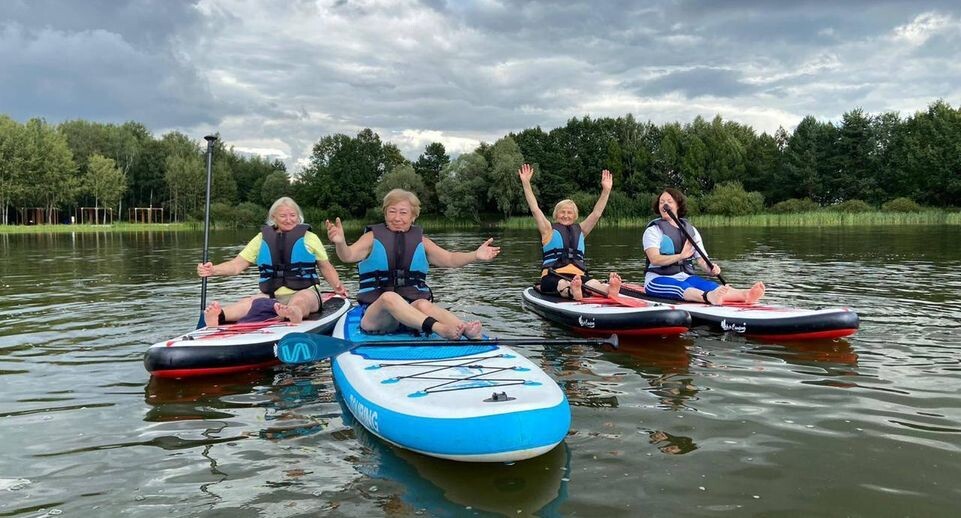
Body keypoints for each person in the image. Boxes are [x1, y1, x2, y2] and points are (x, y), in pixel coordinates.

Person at [325, 189, 500, 340]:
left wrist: (475, 255)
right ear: (385, 214)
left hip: (411, 316)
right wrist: (340, 243)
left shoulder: (422, 242)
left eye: (403, 212)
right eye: (392, 212)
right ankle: (440, 328)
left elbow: (450, 259)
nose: (397, 217)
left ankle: (465, 329)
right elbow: (347, 256)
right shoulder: (371, 238)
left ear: (413, 216)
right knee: (389, 297)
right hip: (378, 318)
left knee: (423, 304)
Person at [197, 197, 348, 326]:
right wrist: (213, 270)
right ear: (273, 218)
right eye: (283, 216)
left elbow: (326, 267)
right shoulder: (261, 239)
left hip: (305, 291)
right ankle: (220, 315)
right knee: (249, 302)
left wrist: (337, 287)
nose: (289, 220)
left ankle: (294, 313)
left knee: (301, 300)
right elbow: (237, 265)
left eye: (293, 215)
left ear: (299, 217)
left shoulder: (310, 238)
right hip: (271, 295)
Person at [642, 188, 765, 305]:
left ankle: (745, 295)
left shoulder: (691, 231)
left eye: (669, 202)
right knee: (682, 287)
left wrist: (710, 269)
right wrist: (681, 256)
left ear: (678, 205)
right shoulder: (653, 230)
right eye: (661, 202)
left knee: (709, 285)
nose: (665, 205)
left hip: (685, 276)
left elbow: (701, 260)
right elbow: (655, 259)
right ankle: (708, 297)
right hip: (657, 279)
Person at [518, 163, 621, 300]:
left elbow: (596, 213)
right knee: (562, 284)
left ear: (575, 216)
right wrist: (526, 183)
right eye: (562, 212)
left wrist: (606, 191)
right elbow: (535, 209)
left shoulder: (581, 230)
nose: (566, 215)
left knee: (592, 283)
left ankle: (609, 289)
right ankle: (573, 291)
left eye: (569, 213)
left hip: (578, 276)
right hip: (553, 275)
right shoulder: (548, 230)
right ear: (556, 214)